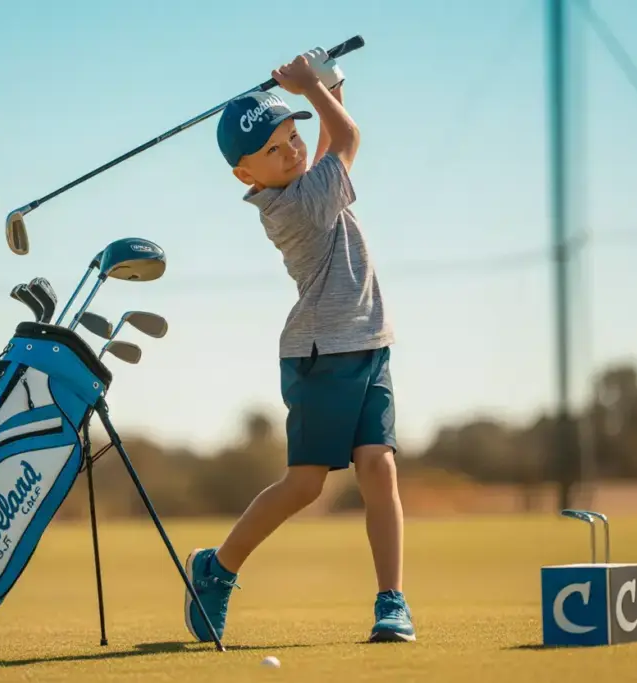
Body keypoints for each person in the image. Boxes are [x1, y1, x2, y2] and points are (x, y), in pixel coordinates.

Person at [182, 47, 414, 644]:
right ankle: (218, 567)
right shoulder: (295, 206)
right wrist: (316, 87)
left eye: (292, 138)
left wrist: (324, 88)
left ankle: (391, 600)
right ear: (246, 175)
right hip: (319, 356)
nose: (290, 151)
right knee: (306, 484)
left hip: (369, 344)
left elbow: (334, 137)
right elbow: (348, 137)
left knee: (378, 467)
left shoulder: (307, 181)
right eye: (273, 150)